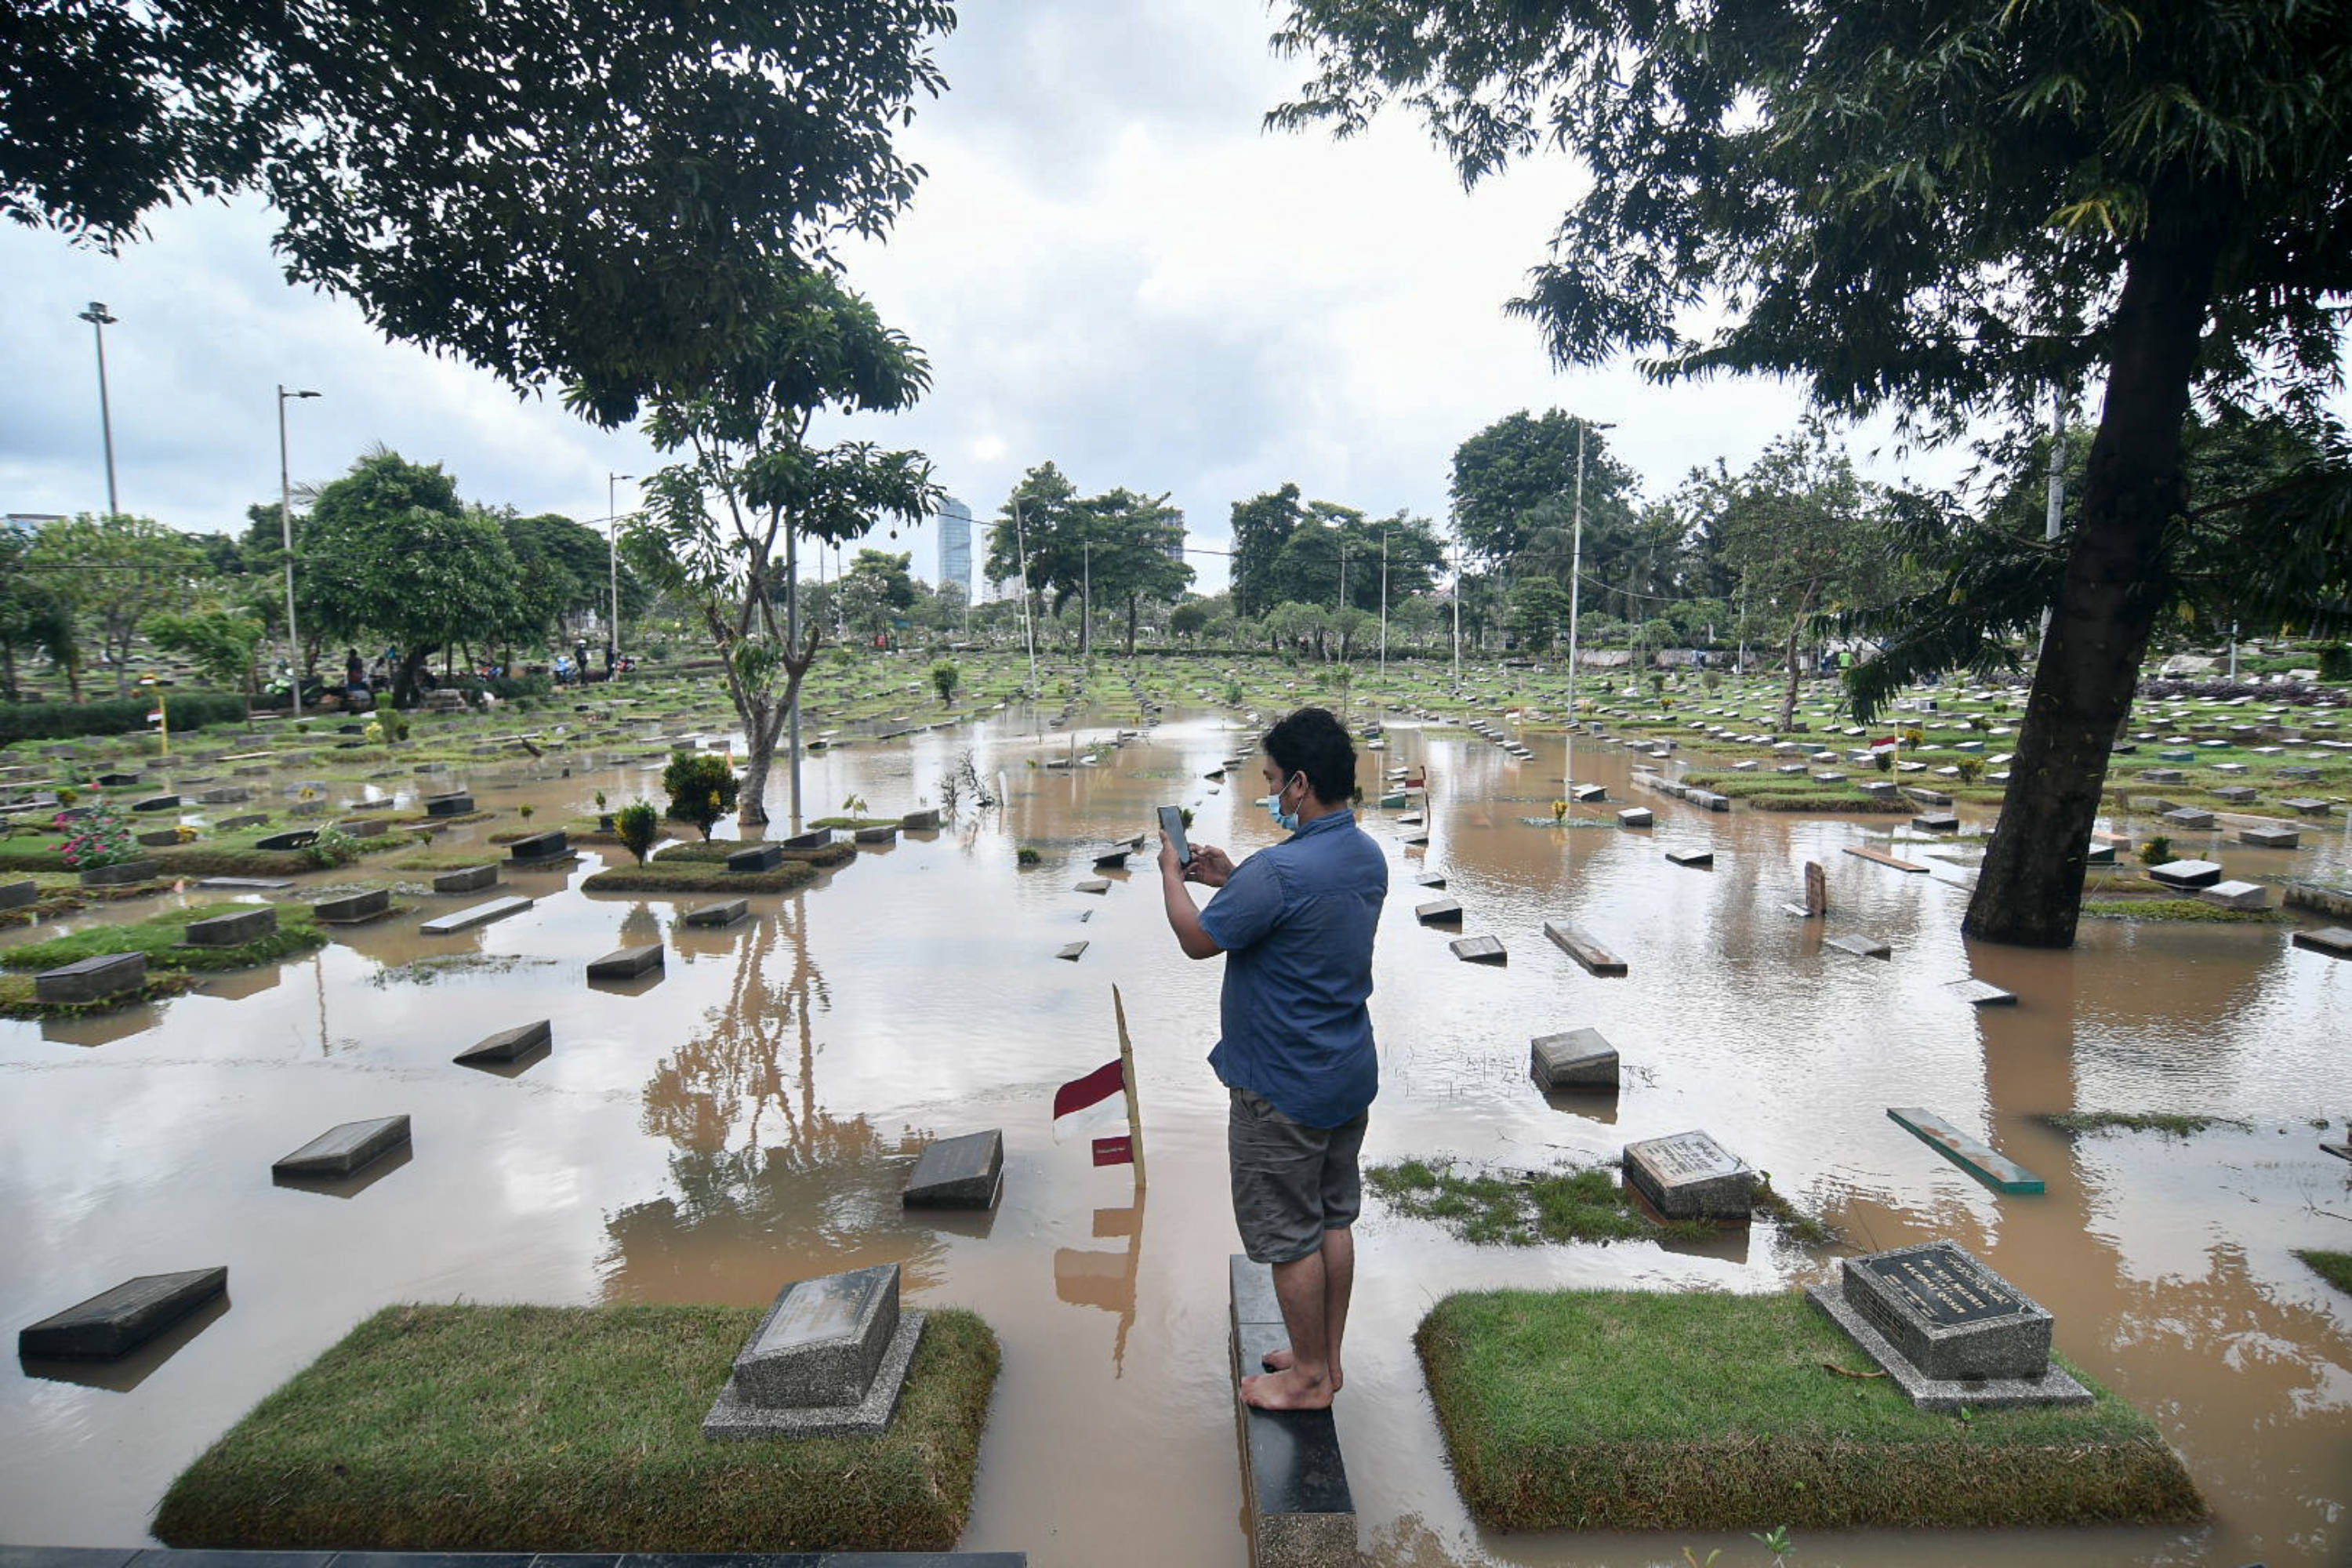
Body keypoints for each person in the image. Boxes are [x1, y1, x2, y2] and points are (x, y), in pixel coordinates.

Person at [1157, 706, 1385, 1411]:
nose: (1269, 793)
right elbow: (1297, 921)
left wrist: (1173, 873)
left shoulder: (1279, 870)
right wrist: (1232, 879)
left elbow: (1199, 941)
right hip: (1344, 1072)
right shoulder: (1365, 854)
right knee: (1332, 1221)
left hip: (1280, 1088)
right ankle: (1325, 1359)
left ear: (1301, 784)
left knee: (1290, 1239)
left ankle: (1307, 1380)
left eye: (1273, 781)